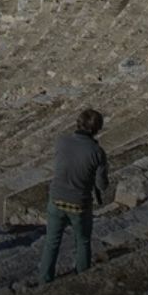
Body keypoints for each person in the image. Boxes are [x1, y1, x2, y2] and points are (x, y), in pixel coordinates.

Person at [41, 109, 109, 285]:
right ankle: (82, 279)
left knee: (51, 243)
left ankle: (44, 281)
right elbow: (102, 185)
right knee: (83, 241)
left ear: (78, 123)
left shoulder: (61, 142)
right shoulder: (97, 152)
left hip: (56, 199)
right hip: (79, 204)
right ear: (97, 129)